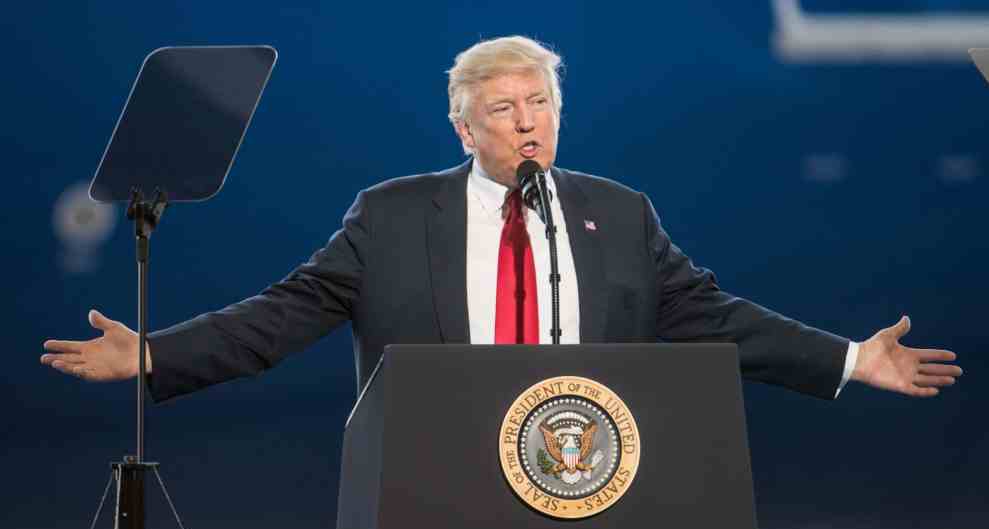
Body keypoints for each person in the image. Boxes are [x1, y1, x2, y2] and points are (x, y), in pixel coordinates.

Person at [41, 36, 960, 402]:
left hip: (589, 472)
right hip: (435, 482)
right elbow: (281, 316)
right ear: (464, 128)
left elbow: (717, 318)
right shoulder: (392, 216)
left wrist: (851, 358)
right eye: (504, 108)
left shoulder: (618, 214)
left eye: (540, 102)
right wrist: (153, 352)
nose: (528, 122)